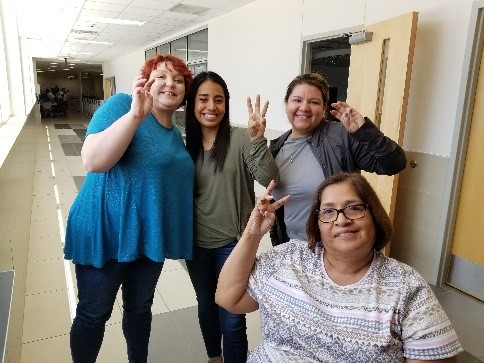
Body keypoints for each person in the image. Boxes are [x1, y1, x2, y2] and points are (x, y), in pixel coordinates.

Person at [216, 172, 463, 362]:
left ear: (374, 216)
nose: (342, 220)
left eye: (354, 208)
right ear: (318, 224)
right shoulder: (287, 258)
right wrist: (253, 233)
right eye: (328, 211)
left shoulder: (406, 287)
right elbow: (228, 298)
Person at [64, 54, 194, 363]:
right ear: (146, 80)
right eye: (161, 76)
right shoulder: (122, 105)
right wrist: (135, 116)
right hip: (106, 231)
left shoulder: (175, 134)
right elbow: (93, 160)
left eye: (178, 80)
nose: (170, 84)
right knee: (94, 313)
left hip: (148, 240)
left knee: (139, 309)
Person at [184, 71, 279, 363]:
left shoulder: (240, 138)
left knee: (233, 316)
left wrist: (258, 139)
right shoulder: (184, 146)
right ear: (192, 104)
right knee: (206, 306)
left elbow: (269, 176)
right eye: (203, 99)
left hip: (233, 245)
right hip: (195, 246)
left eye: (219, 100)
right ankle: (215, 357)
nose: (211, 106)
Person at [269, 72, 407, 246]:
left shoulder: (341, 136)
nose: (304, 107)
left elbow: (394, 163)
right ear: (286, 104)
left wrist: (365, 132)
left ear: (324, 107)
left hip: (335, 247)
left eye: (314, 102)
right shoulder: (277, 146)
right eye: (297, 100)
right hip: (291, 244)